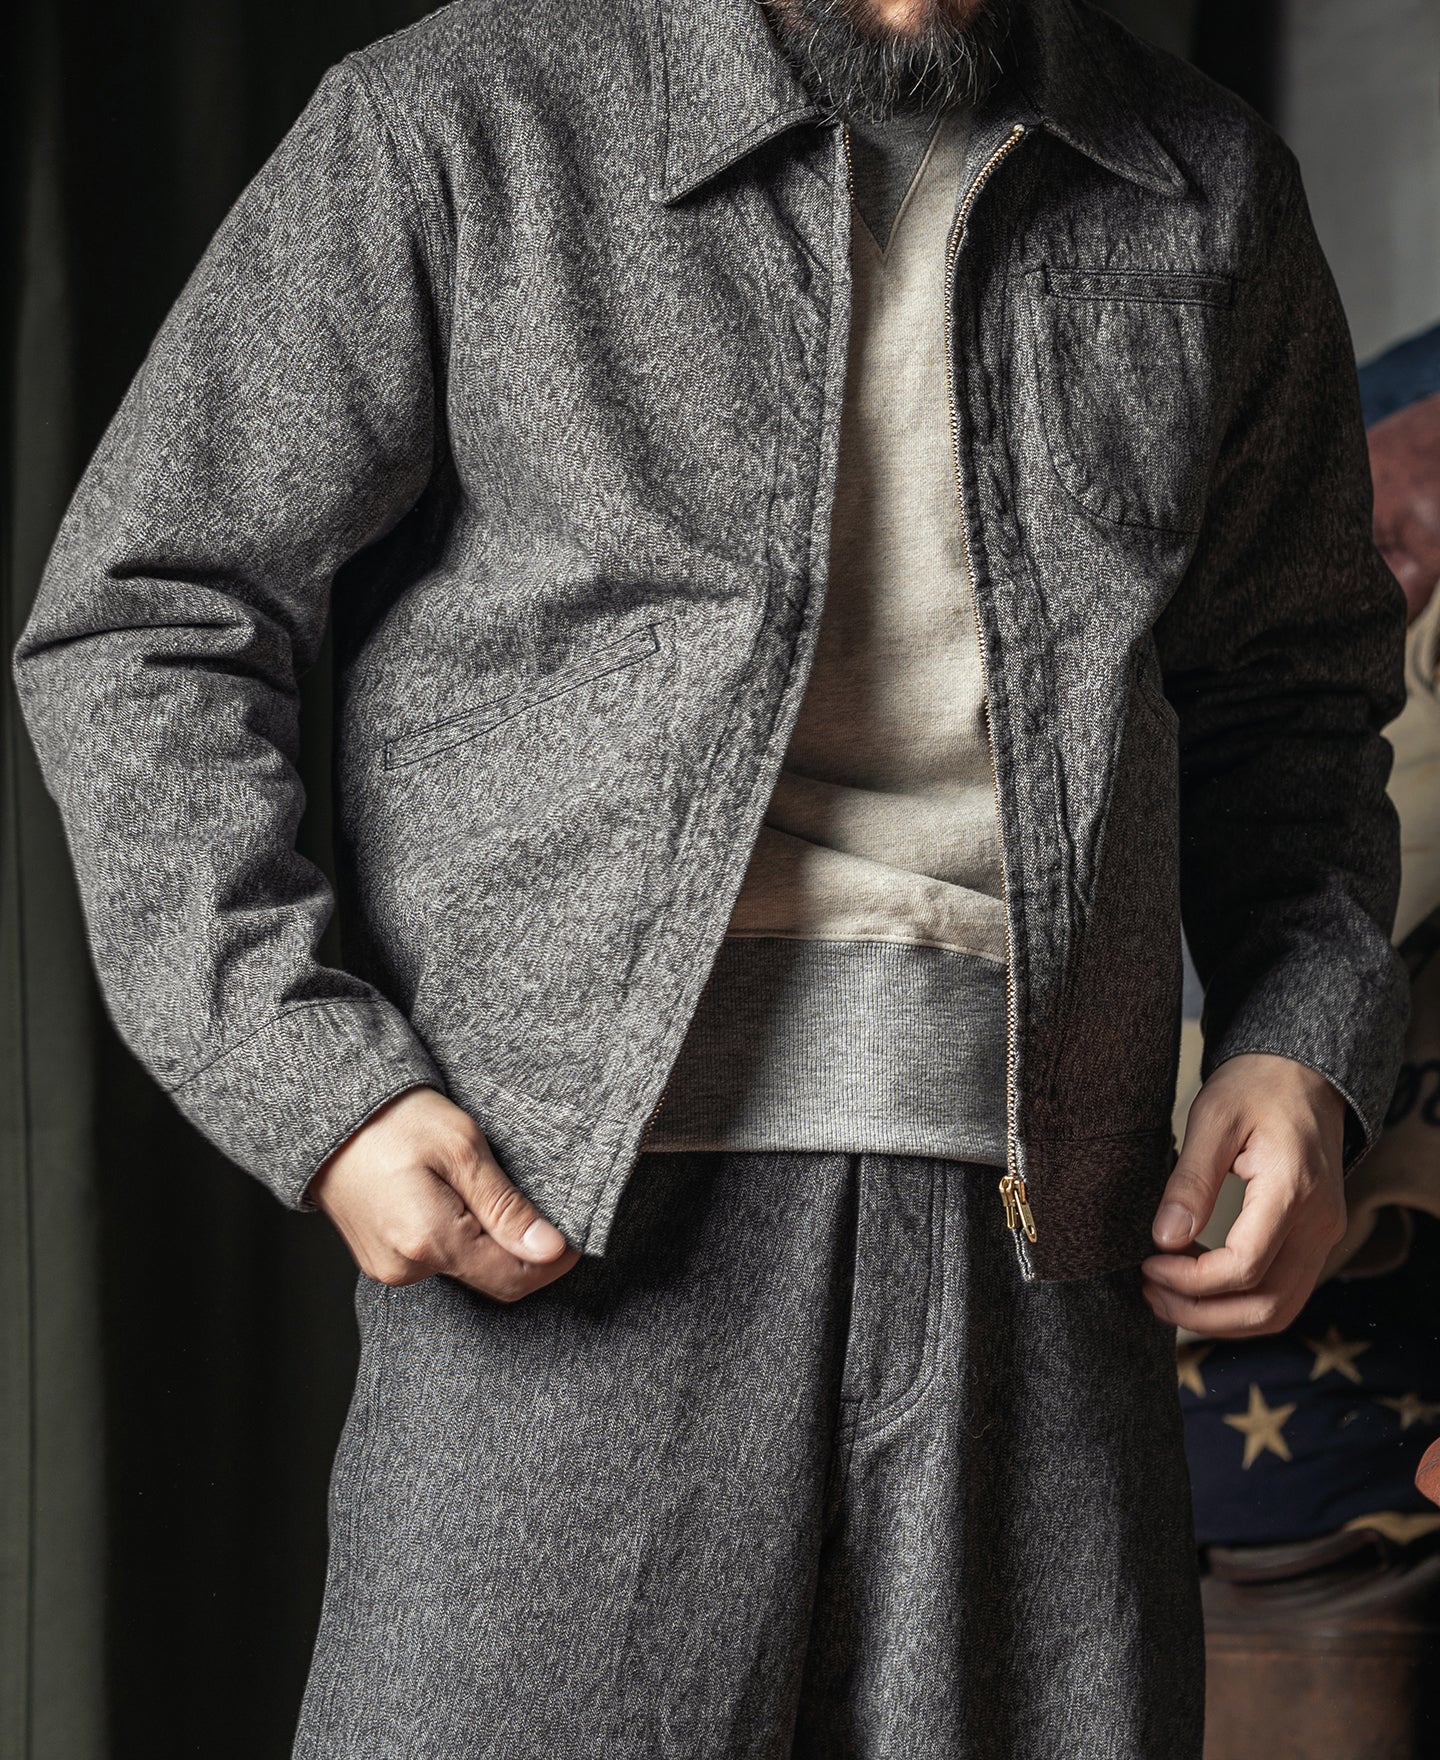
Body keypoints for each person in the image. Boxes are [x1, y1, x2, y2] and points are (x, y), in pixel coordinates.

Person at [9, 0, 1409, 1753]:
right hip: (565, 1247)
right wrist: (318, 1085)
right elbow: (149, 623)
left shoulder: (1209, 186)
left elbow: (1295, 702)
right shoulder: (455, 118)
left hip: (1056, 1274)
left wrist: (1299, 1047)